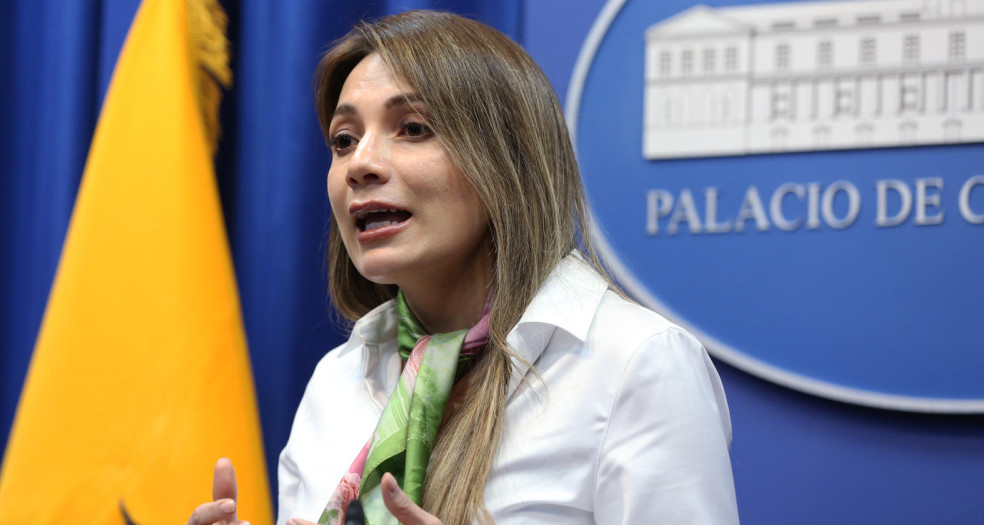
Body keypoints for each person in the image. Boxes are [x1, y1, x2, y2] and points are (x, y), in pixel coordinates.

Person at [188, 10, 737, 525]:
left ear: (506, 159)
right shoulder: (339, 377)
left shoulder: (636, 364)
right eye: (343, 140)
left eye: (413, 128)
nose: (360, 165)